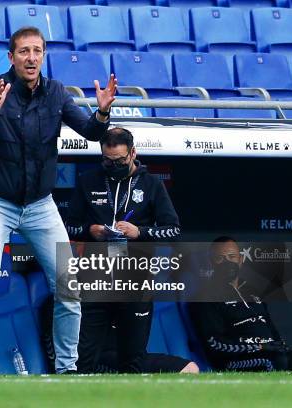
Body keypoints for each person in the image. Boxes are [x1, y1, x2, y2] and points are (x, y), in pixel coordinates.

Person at [0, 26, 117, 375]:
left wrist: (101, 113)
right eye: (24, 51)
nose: (31, 57)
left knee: (69, 285)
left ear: (43, 55)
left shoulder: (56, 92)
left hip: (40, 204)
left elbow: (89, 132)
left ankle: (68, 368)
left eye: (37, 51)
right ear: (11, 57)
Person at [65, 127, 198, 374]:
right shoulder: (88, 181)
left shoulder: (151, 185)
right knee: (83, 358)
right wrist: (90, 230)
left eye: (120, 160)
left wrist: (140, 232)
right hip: (96, 276)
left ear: (133, 153)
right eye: (107, 160)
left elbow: (173, 230)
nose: (113, 164)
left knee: (132, 359)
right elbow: (68, 226)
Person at [189, 237, 292, 372]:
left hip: (272, 354)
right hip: (233, 362)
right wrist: (260, 347)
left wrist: (278, 344)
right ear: (212, 263)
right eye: (220, 258)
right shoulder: (205, 298)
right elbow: (215, 344)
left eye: (232, 256)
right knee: (276, 362)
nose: (227, 262)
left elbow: (269, 325)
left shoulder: (251, 291)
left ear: (241, 260)